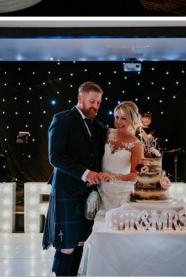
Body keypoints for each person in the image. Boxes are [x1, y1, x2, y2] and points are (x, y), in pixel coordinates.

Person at [42, 81, 107, 277]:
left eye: (98, 102)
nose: (95, 106)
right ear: (80, 99)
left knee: (80, 240)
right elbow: (55, 156)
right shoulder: (62, 119)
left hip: (88, 193)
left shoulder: (98, 126)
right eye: (91, 101)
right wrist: (87, 173)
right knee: (67, 244)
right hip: (67, 189)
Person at [97, 101, 144, 211]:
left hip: (120, 193)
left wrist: (112, 178)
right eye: (116, 117)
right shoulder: (107, 133)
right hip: (100, 189)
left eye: (123, 118)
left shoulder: (137, 145)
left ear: (132, 120)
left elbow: (135, 175)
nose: (118, 122)